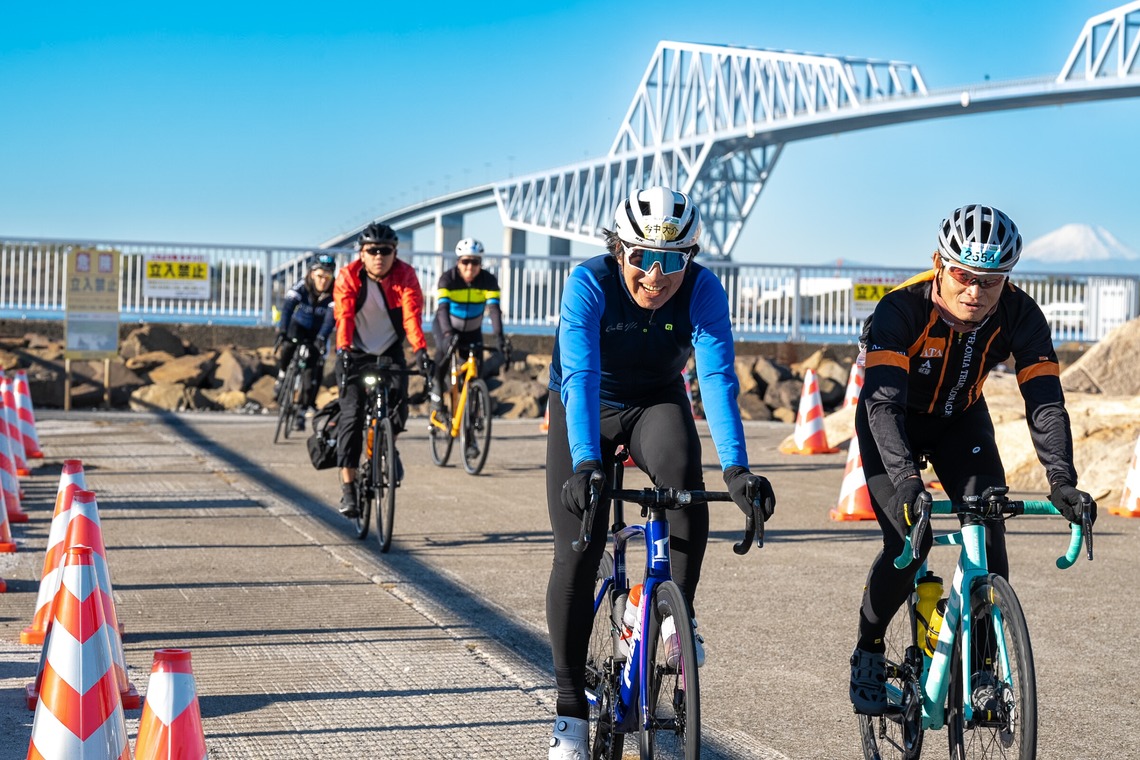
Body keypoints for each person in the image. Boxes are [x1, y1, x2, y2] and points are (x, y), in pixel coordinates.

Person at [543, 186, 776, 757]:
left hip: (656, 402)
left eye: (673, 260)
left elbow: (716, 378)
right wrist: (586, 463)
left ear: (689, 258)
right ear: (618, 250)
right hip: (586, 403)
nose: (656, 275)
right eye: (643, 256)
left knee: (685, 488)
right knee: (578, 547)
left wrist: (738, 470)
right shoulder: (589, 283)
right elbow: (580, 376)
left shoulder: (702, 289)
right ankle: (569, 714)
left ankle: (673, 613)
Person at [848, 204, 1099, 715]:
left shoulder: (1020, 314)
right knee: (908, 541)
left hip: (960, 421)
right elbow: (882, 403)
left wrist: (1062, 479)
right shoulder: (900, 309)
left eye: (990, 281)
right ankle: (869, 648)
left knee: (987, 525)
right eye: (964, 276)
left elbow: (1045, 401)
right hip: (892, 420)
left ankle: (983, 668)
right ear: (939, 264)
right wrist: (907, 482)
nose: (975, 292)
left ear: (1007, 279)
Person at [332, 222, 432, 517]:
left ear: (395, 253)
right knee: (351, 417)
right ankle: (348, 489)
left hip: (389, 350)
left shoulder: (405, 275)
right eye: (372, 250)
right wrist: (343, 350)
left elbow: (411, 315)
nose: (379, 256)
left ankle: (388, 444)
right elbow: (344, 315)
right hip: (354, 351)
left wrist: (421, 351)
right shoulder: (348, 276)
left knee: (399, 409)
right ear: (361, 254)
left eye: (385, 251)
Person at [429, 237, 508, 418]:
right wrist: (447, 334)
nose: (470, 267)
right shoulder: (447, 279)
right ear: (458, 262)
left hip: (472, 332)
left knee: (475, 373)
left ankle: (471, 419)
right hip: (446, 327)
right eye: (465, 262)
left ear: (480, 264)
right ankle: (437, 396)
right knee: (443, 356)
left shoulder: (488, 281)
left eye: (475, 262)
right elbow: (442, 310)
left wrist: (499, 338)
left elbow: (494, 311)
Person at [275, 254, 336, 431]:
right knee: (288, 344)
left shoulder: (334, 291)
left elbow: (330, 321)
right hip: (299, 326)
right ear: (311, 274)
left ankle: (301, 412)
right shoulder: (301, 286)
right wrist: (282, 330)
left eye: (327, 277)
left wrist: (321, 338)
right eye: (319, 276)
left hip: (318, 331)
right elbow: (287, 309)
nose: (323, 281)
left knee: (312, 371)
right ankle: (282, 374)